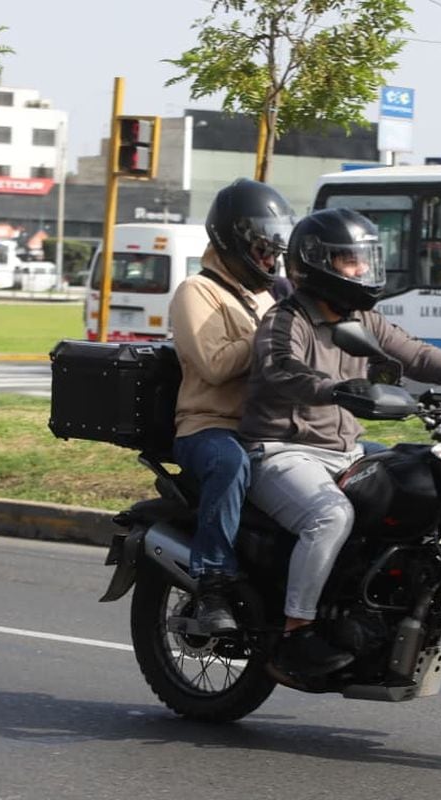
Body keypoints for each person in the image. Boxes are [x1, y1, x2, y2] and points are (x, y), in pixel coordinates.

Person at [239, 208, 441, 677]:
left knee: (420, 480)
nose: (362, 271)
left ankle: (371, 609)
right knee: (329, 514)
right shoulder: (286, 318)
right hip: (281, 450)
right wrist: (333, 387)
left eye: (366, 260)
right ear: (316, 262)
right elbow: (281, 368)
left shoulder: (365, 319)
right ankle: (297, 632)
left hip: (346, 452)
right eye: (351, 261)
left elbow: (414, 354)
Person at [169, 178, 297, 635]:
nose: (270, 261)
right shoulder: (196, 292)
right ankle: (213, 584)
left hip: (266, 424)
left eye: (274, 253)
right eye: (263, 251)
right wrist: (272, 334)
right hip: (209, 426)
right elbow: (216, 365)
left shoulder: (265, 294)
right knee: (230, 462)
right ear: (235, 241)